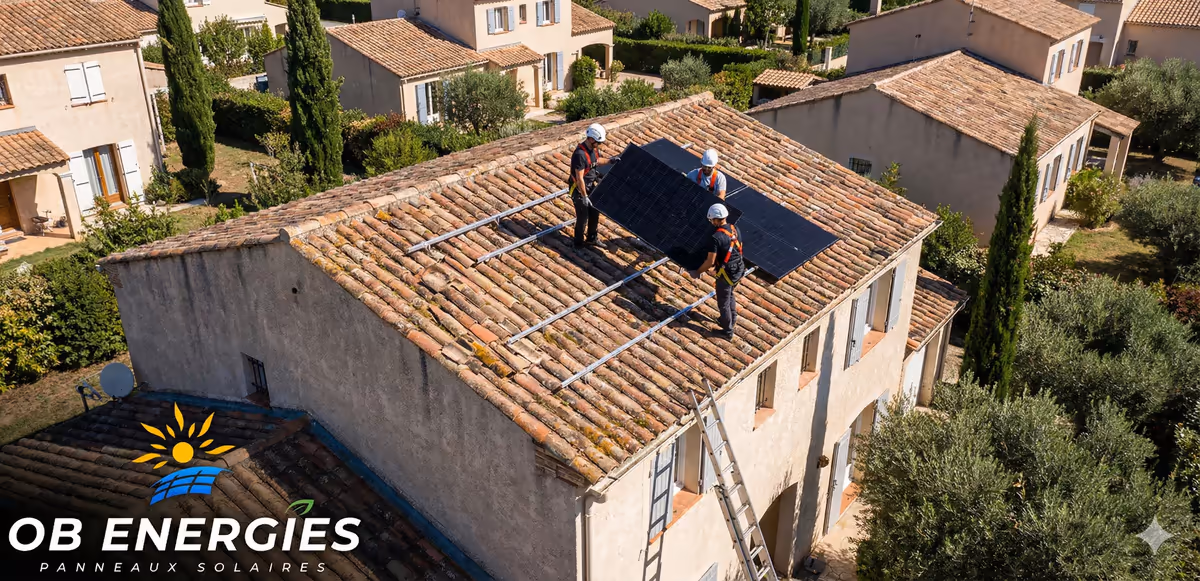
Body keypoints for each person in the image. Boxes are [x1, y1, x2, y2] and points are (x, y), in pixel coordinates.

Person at [691, 203, 745, 339]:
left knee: (723, 301)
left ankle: (727, 331)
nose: (711, 223)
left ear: (716, 219)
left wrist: (697, 272)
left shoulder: (716, 238)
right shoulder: (734, 229)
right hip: (739, 269)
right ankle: (731, 319)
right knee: (729, 294)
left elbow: (710, 261)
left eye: (711, 220)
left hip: (727, 273)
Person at [569, 123, 616, 247]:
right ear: (590, 139)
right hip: (580, 190)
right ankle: (578, 243)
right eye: (598, 142)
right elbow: (579, 178)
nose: (599, 144)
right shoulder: (579, 155)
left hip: (591, 185)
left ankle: (592, 238)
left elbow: (597, 161)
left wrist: (610, 161)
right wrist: (584, 197)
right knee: (583, 216)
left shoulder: (593, 149)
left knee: (594, 212)